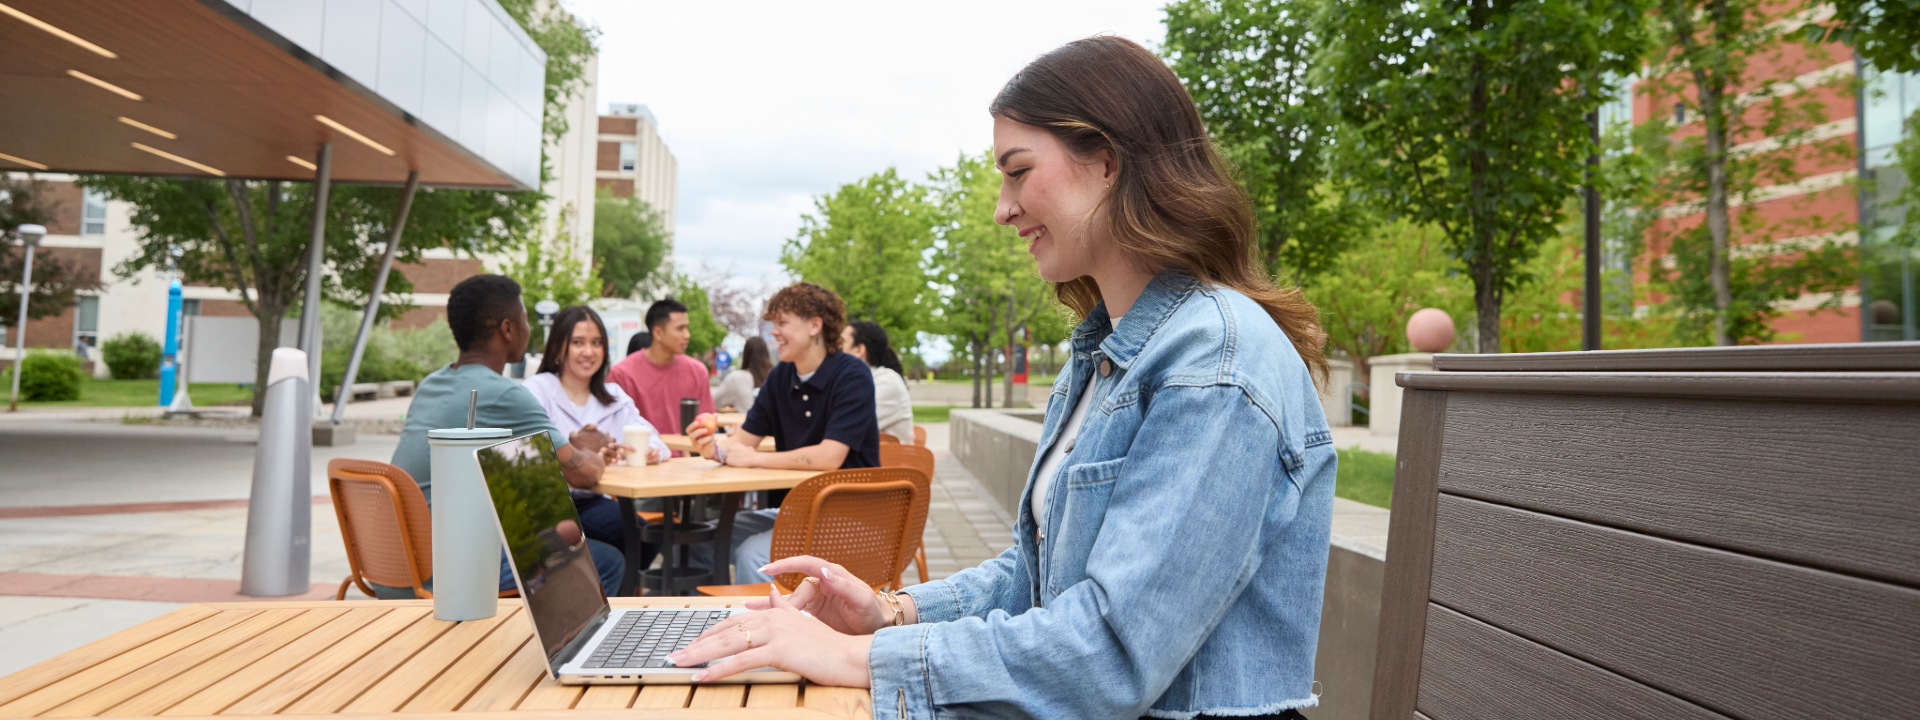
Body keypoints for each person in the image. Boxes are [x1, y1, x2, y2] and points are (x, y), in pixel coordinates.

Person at [670, 36, 1336, 720]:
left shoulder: (1214, 363)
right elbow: (1036, 577)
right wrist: (889, 611)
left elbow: (1112, 653)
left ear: (1107, 162)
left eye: (1017, 172)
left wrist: (852, 658)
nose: (1002, 207)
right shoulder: (1105, 355)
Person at [389, 274, 631, 598]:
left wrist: (569, 447)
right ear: (507, 329)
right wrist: (594, 451)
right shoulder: (503, 394)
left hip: (397, 563)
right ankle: (584, 648)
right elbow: (583, 474)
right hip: (447, 571)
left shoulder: (431, 385)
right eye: (525, 319)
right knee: (608, 560)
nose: (528, 330)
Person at [685, 282, 880, 586]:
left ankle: (769, 632)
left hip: (849, 519)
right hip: (797, 511)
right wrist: (713, 448)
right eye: (773, 323)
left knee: (755, 555)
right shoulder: (781, 376)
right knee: (699, 539)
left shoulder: (852, 375)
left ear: (815, 325)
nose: (773, 332)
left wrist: (753, 460)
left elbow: (830, 457)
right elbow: (742, 441)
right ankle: (706, 627)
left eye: (783, 323)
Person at [521, 305, 671, 570]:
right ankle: (618, 595)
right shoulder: (538, 390)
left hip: (595, 500)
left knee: (644, 534)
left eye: (596, 343)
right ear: (558, 347)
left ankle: (620, 596)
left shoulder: (613, 397)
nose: (588, 352)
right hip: (550, 507)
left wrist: (651, 451)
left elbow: (655, 440)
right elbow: (531, 454)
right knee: (632, 536)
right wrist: (587, 455)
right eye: (578, 343)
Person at [608, 298, 714, 451]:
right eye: (680, 328)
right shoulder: (622, 374)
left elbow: (707, 424)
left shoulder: (697, 371)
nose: (687, 335)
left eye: (687, 328)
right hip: (639, 463)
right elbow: (613, 430)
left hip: (687, 464)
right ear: (658, 332)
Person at [841, 321, 913, 444]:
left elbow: (845, 426)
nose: (834, 348)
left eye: (841, 342)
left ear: (859, 350)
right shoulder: (854, 381)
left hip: (891, 462)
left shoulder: (886, 381)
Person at [713, 336, 773, 412]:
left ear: (746, 354)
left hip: (747, 422)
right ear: (766, 353)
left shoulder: (738, 378)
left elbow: (713, 401)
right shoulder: (776, 376)